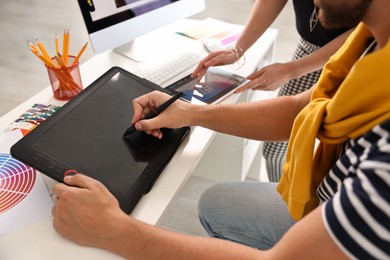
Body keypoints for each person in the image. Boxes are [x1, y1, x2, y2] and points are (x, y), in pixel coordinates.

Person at [52, 0, 390, 258]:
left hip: (343, 226)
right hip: (334, 195)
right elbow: (301, 109)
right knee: (216, 201)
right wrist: (189, 113)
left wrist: (116, 232)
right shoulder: (373, 44)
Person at [192, 0, 353, 182]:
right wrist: (237, 49)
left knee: (340, 156)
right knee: (276, 150)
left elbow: (363, 31)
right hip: (311, 46)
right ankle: (281, 203)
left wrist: (293, 69)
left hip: (355, 55)